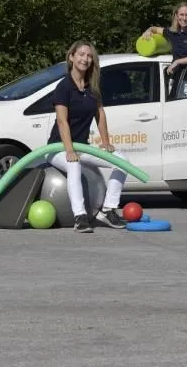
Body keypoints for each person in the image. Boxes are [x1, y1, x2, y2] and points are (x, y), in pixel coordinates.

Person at [46, 40, 129, 233]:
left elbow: (100, 115)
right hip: (58, 148)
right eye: (81, 54)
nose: (85, 59)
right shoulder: (63, 87)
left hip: (82, 147)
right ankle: (80, 217)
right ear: (72, 57)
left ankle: (108, 209)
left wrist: (106, 142)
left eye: (89, 56)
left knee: (122, 161)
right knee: (74, 165)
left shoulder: (92, 86)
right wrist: (69, 150)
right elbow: (62, 121)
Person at [141, 2, 187, 97]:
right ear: (176, 15)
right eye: (181, 14)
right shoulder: (172, 32)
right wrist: (148, 30)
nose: (184, 18)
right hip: (176, 81)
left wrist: (178, 62)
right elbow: (154, 29)